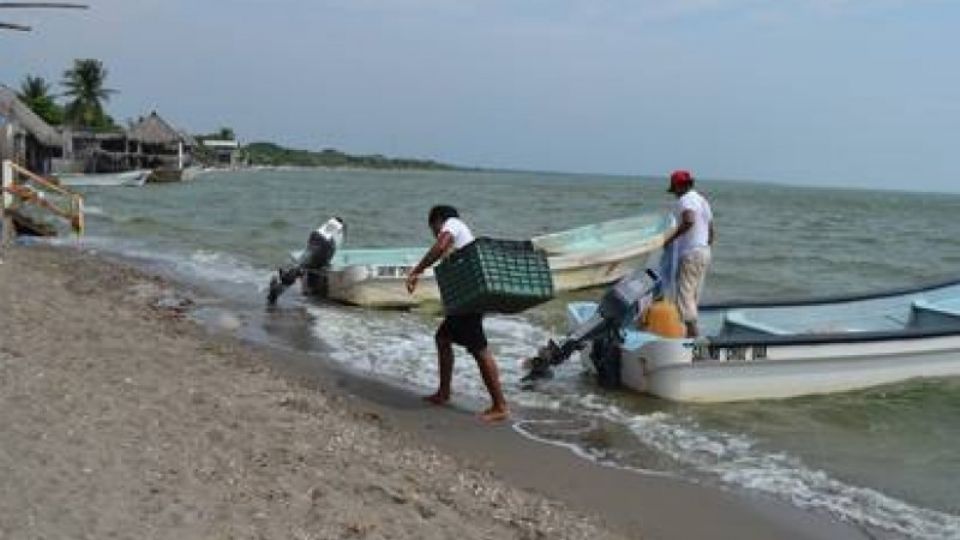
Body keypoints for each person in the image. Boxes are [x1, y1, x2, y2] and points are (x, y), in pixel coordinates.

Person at [405, 205, 509, 423]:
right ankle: (443, 393)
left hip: (471, 300)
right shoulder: (459, 234)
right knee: (442, 339)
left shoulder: (453, 224)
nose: (434, 233)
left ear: (438, 221)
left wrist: (417, 269)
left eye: (433, 228)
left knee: (479, 348)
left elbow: (440, 245)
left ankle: (500, 405)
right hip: (466, 298)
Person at [662, 170, 715, 338]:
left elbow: (689, 220)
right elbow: (711, 231)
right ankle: (690, 339)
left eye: (675, 188)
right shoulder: (702, 200)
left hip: (691, 254)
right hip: (704, 252)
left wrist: (670, 239)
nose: (675, 193)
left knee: (684, 299)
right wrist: (703, 245)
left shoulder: (686, 200)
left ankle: (695, 344)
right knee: (693, 298)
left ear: (679, 186)